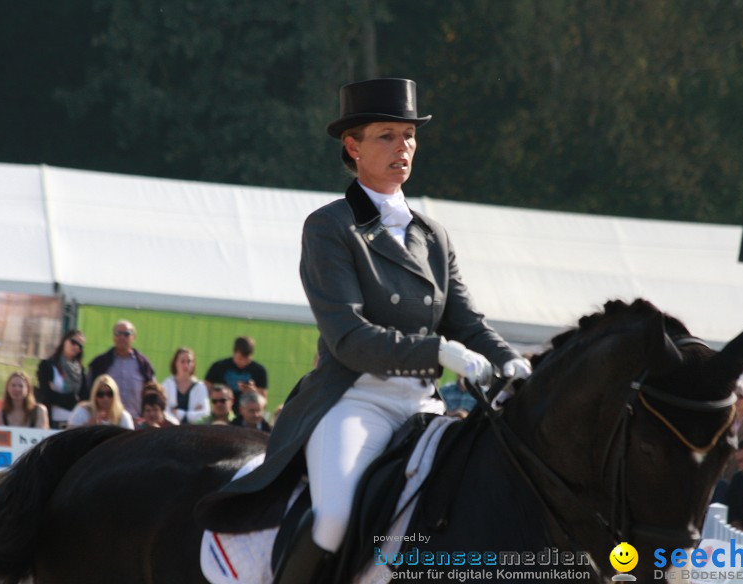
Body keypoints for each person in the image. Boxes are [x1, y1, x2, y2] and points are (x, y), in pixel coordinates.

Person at [195, 78, 531, 582]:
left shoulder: (432, 235)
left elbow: (466, 320)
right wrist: (438, 352)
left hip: (425, 407)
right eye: (387, 136)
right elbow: (348, 337)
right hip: (354, 399)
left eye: (409, 136)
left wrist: (512, 362)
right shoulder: (330, 227)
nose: (403, 147)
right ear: (353, 146)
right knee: (332, 521)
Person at [87, 320, 155, 420]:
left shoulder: (143, 364)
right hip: (107, 422)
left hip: (136, 422)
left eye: (126, 334)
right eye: (118, 333)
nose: (122, 337)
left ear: (134, 337)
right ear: (113, 337)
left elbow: (153, 394)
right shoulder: (100, 363)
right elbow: (89, 391)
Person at [36, 329, 86, 429]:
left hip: (75, 422)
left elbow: (84, 396)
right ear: (65, 341)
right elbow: (46, 394)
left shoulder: (80, 369)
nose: (76, 347)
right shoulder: (48, 365)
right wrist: (71, 399)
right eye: (73, 342)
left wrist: (61, 398)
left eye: (80, 346)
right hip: (53, 421)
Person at [205, 336, 269, 401]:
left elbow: (264, 400)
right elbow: (206, 390)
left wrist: (253, 391)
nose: (243, 362)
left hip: (248, 408)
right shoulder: (219, 366)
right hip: (223, 407)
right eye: (240, 359)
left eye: (247, 359)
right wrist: (219, 394)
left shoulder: (259, 370)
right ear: (234, 353)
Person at [161, 347, 210, 424]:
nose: (186, 365)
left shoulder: (200, 387)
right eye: (182, 361)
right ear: (175, 363)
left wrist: (179, 413)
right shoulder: (166, 385)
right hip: (170, 429)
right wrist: (193, 413)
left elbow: (205, 413)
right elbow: (164, 411)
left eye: (189, 361)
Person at [67, 374, 134, 430]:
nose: (105, 398)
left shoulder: (123, 416)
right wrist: (87, 427)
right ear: (94, 395)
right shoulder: (83, 411)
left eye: (109, 394)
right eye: (100, 394)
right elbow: (68, 435)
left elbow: (130, 441)